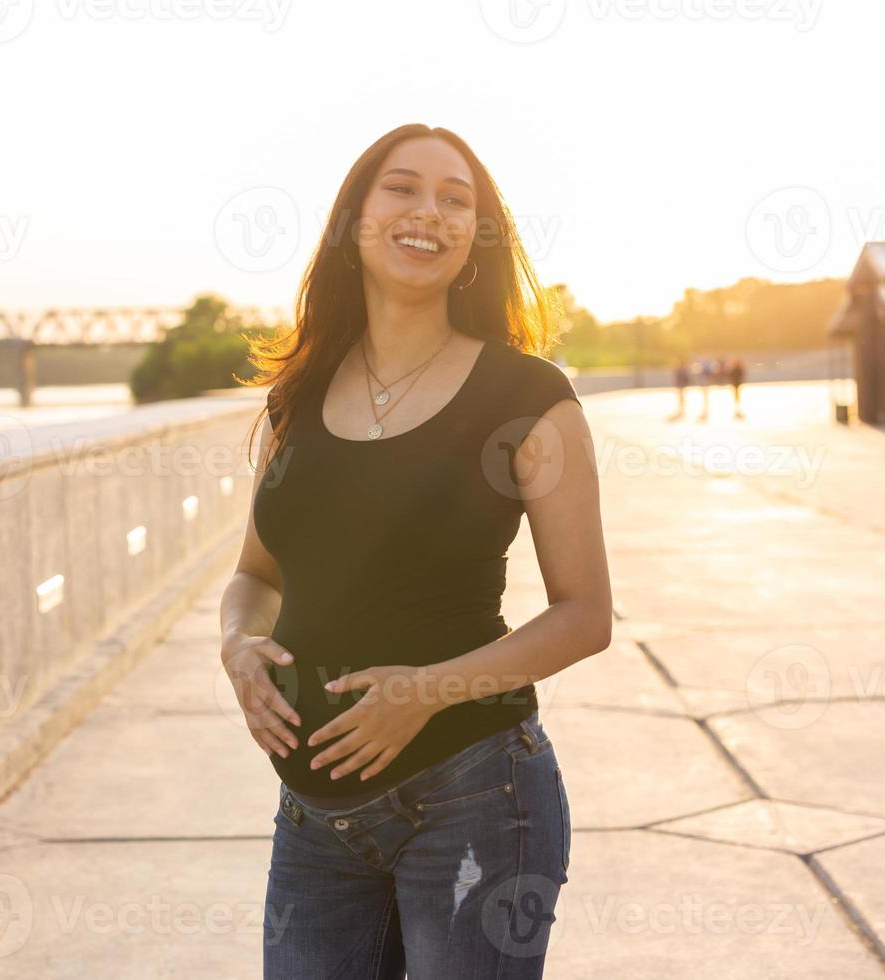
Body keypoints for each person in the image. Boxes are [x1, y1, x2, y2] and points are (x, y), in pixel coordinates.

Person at [221, 124, 613, 979]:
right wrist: (238, 647)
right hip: (313, 816)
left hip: (476, 795)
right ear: (355, 218)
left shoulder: (529, 398)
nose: (428, 211)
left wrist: (426, 693)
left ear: (476, 237)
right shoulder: (297, 397)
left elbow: (586, 617)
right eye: (402, 188)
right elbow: (255, 576)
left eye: (456, 199)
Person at [729, 355, 746, 419]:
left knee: (736, 392)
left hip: (737, 382)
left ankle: (737, 401)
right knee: (736, 392)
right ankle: (736, 400)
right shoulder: (736, 368)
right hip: (735, 382)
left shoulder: (737, 368)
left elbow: (741, 374)